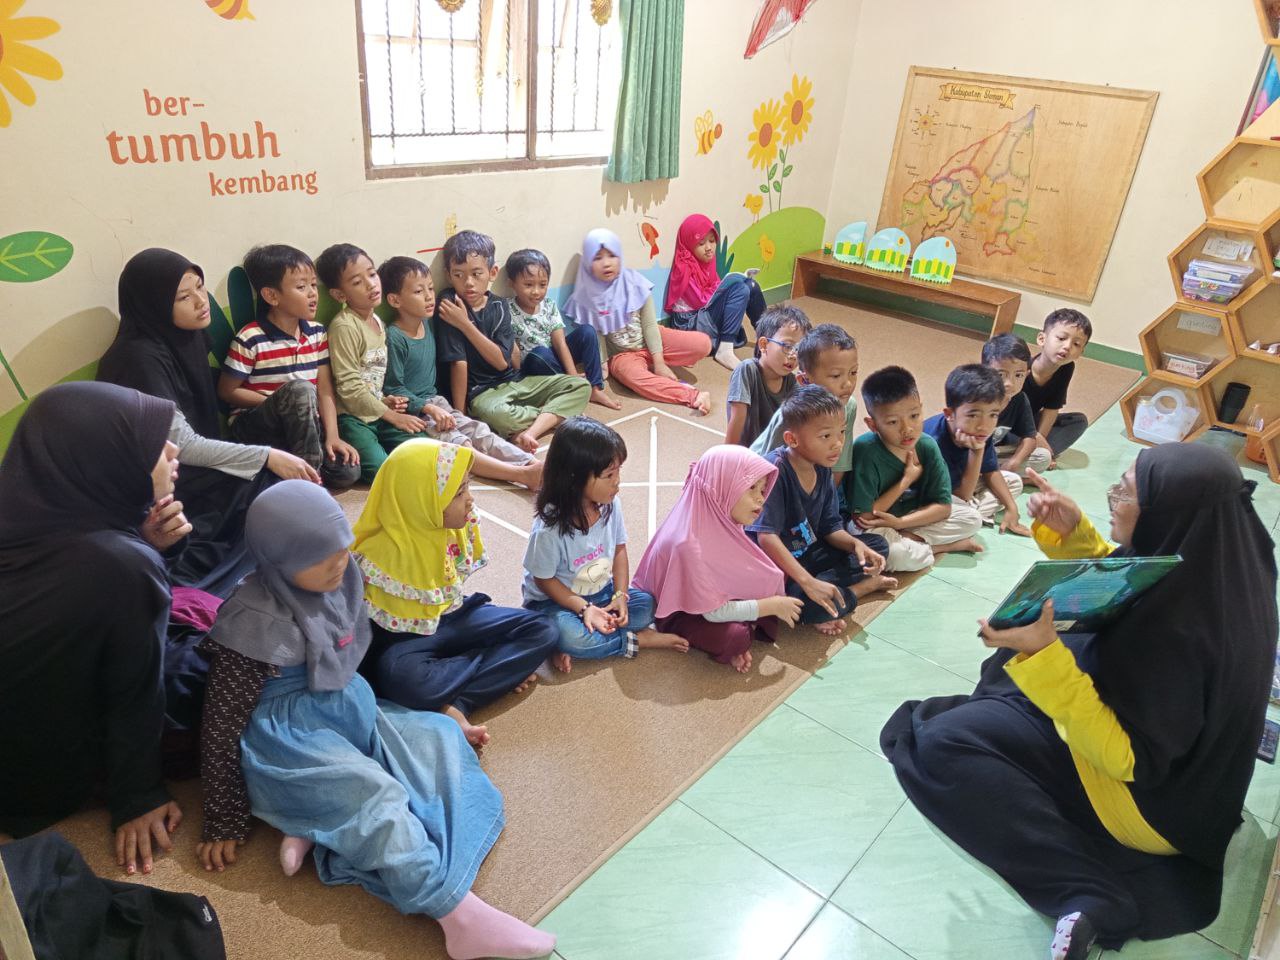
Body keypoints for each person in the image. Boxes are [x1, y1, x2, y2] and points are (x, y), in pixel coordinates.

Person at [879, 445, 1277, 958]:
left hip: (1151, 804)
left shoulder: (1175, 636)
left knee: (943, 741)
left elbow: (1126, 758)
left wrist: (1045, 656)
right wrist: (1077, 537)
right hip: (1202, 792)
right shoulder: (1228, 558)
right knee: (1017, 666)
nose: (1112, 498)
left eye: (1125, 494)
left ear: (1166, 514)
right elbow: (1141, 581)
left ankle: (1090, 892)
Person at [195, 480, 557, 960]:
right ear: (278, 560)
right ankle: (456, 915)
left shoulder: (334, 579)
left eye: (341, 548)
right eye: (318, 556)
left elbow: (350, 654)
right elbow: (221, 724)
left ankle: (311, 826)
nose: (338, 563)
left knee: (436, 736)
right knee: (374, 795)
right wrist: (223, 819)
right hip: (291, 742)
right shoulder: (251, 621)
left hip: (346, 714)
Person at [0, 382, 189, 876]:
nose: (173, 450)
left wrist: (141, 544)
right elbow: (136, 686)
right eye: (154, 444)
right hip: (29, 774)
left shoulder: (23, 510)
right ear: (105, 460)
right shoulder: (119, 566)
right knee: (214, 681)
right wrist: (138, 792)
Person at [98, 248, 318, 595]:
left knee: (270, 492)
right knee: (265, 490)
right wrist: (267, 456)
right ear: (154, 305)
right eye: (184, 297)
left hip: (193, 469)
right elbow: (181, 445)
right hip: (161, 481)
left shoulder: (187, 338)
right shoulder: (138, 359)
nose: (201, 302)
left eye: (200, 287)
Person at [353, 439, 559, 747]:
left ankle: (455, 702)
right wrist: (499, 661)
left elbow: (453, 598)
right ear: (421, 500)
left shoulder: (455, 527)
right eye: (459, 492)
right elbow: (365, 649)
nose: (470, 500)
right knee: (401, 679)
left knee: (543, 630)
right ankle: (483, 674)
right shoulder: (374, 556)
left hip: (453, 616)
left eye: (467, 487)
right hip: (406, 641)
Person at [522, 416, 689, 672]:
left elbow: (620, 549)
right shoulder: (549, 528)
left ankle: (581, 638)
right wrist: (584, 609)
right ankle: (635, 641)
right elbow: (544, 580)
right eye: (609, 475)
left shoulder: (611, 505)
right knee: (571, 637)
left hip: (600, 592)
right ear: (574, 478)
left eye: (618, 471)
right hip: (555, 601)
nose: (617, 481)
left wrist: (620, 595)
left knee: (647, 606)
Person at [633, 445, 803, 673]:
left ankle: (749, 618)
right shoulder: (689, 545)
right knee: (736, 637)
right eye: (751, 488)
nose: (760, 499)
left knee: (771, 578)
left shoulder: (721, 517)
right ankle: (739, 627)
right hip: (681, 611)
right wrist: (770, 605)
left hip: (708, 597)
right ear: (722, 487)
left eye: (762, 489)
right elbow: (713, 612)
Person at [380, 255, 543, 490]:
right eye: (418, 291)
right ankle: (522, 474)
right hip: (414, 412)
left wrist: (439, 407)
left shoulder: (427, 323)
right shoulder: (395, 337)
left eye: (430, 288)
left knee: (480, 431)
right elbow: (393, 387)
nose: (429, 296)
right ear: (395, 300)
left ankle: (531, 463)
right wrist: (428, 408)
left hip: (437, 402)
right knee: (460, 443)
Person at [747, 386, 895, 637]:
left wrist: (855, 546)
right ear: (792, 439)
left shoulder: (822, 466)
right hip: (777, 568)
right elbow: (766, 538)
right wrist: (807, 582)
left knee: (877, 546)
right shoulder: (775, 470)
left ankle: (828, 593)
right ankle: (859, 590)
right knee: (803, 605)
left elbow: (830, 527)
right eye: (826, 436)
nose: (837, 444)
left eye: (841, 433)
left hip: (809, 552)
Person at [217, 244, 361, 488]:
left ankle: (290, 471)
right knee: (300, 390)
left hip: (302, 429)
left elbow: (325, 390)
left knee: (348, 471)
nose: (313, 293)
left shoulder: (316, 333)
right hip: (257, 426)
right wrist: (281, 403)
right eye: (301, 287)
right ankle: (308, 486)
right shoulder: (251, 338)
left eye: (313, 285)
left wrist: (333, 437)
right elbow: (227, 391)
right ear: (271, 296)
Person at [434, 230, 590, 452]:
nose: (468, 283)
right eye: (458, 275)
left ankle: (531, 429)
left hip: (516, 381)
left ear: (492, 272)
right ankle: (553, 415)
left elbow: (501, 363)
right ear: (449, 276)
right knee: (493, 413)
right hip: (483, 394)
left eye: (476, 274)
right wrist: (461, 416)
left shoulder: (499, 306)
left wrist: (465, 325)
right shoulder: (450, 303)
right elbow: (458, 363)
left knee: (580, 386)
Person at [847, 366, 983, 572]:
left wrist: (900, 523)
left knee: (972, 518)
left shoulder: (926, 445)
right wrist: (906, 481)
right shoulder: (865, 451)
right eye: (893, 422)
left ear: (921, 408)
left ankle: (910, 541)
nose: (907, 429)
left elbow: (943, 507)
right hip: (873, 525)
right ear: (872, 425)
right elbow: (864, 519)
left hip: (907, 518)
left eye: (914, 415)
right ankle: (940, 547)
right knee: (895, 556)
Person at [563, 229, 712, 415]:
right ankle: (692, 395)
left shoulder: (635, 283)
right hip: (622, 356)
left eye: (612, 255)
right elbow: (597, 336)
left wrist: (659, 362)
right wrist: (602, 367)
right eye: (597, 258)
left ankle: (657, 362)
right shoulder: (588, 295)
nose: (606, 263)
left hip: (652, 340)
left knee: (703, 343)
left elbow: (649, 326)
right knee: (636, 379)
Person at [319, 242, 431, 483]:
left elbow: (371, 377)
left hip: (378, 410)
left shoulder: (378, 322)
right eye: (357, 282)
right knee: (382, 470)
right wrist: (393, 416)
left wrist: (385, 401)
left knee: (426, 447)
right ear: (340, 295)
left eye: (371, 274)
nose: (371, 284)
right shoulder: (345, 326)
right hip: (352, 418)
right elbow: (349, 388)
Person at [503, 247, 620, 409]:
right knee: (539, 354)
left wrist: (572, 374)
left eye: (542, 285)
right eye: (528, 285)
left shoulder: (549, 305)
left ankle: (594, 388)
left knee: (587, 331)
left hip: (554, 357)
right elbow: (513, 352)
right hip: (535, 364)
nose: (536, 291)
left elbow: (560, 343)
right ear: (511, 283)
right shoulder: (506, 310)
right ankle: (570, 387)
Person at [922, 364, 1030, 535]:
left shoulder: (979, 431)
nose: (984, 425)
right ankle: (963, 520)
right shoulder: (932, 442)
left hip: (961, 488)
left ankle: (967, 517)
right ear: (949, 414)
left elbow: (991, 471)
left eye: (993, 415)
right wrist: (977, 452)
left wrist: (1012, 508)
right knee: (969, 516)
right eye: (973, 415)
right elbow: (962, 496)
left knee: (1014, 481)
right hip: (930, 499)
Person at [664, 213, 766, 370]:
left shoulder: (707, 264)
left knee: (751, 285)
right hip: (689, 324)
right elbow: (701, 301)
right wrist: (727, 290)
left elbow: (715, 289)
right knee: (740, 289)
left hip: (704, 315)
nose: (708, 248)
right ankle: (725, 349)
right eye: (701, 243)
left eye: (712, 241)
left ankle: (768, 337)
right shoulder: (684, 267)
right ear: (689, 244)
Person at [724, 304, 810, 447]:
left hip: (774, 455)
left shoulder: (792, 382)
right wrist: (727, 455)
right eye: (787, 346)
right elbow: (737, 419)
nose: (794, 355)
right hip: (746, 454)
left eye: (799, 349)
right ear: (763, 345)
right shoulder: (747, 370)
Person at [1022, 308, 1092, 462]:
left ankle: (1034, 452)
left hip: (1031, 423)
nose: (1067, 346)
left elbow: (1052, 408)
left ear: (1081, 352)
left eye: (1076, 344)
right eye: (1061, 338)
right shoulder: (1021, 370)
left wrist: (1040, 440)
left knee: (1079, 421)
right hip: (1010, 422)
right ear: (1042, 339)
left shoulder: (1066, 367)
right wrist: (1035, 436)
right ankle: (1025, 453)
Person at [982, 332, 1052, 478]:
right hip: (969, 452)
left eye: (1018, 375)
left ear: (1026, 374)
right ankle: (999, 479)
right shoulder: (976, 397)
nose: (1010, 383)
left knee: (1043, 457)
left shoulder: (1019, 399)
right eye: (1001, 375)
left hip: (994, 453)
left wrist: (1015, 461)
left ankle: (995, 478)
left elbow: (1030, 438)